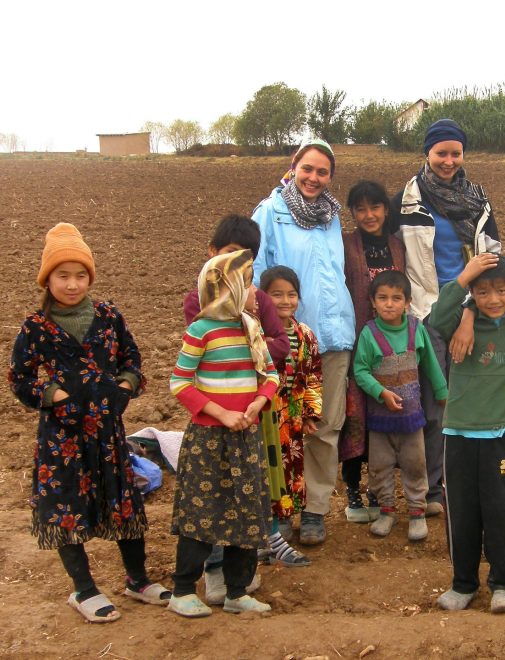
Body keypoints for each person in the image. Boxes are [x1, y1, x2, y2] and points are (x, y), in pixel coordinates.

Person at [9, 222, 170, 623]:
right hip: (61, 439)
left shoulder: (107, 316)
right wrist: (52, 395)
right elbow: (20, 378)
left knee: (124, 503)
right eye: (63, 276)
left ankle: (137, 579)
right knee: (66, 509)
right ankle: (83, 589)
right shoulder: (35, 327)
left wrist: (125, 385)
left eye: (81, 275)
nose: (73, 284)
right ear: (48, 279)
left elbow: (131, 359)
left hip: (108, 433)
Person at [183, 215, 303, 603]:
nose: (235, 270)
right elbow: (200, 355)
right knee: (211, 497)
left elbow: (281, 346)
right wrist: (247, 346)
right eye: (229, 256)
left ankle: (240, 573)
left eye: (245, 263)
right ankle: (214, 570)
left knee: (248, 493)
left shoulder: (259, 299)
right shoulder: (197, 302)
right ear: (211, 255)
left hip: (254, 413)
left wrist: (249, 348)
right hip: (213, 414)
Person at [389, 118, 500, 517]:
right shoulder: (405, 200)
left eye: (455, 153)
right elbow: (385, 251)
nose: (448, 160)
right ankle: (434, 489)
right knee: (436, 406)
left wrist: (470, 313)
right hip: (426, 314)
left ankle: (465, 482)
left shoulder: (477, 199)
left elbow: (491, 258)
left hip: (470, 312)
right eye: (441, 153)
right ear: (427, 154)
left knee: (470, 403)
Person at [252, 139, 355, 545]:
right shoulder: (271, 212)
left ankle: (314, 509)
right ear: (293, 166)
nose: (314, 178)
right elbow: (256, 273)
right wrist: (268, 331)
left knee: (325, 426)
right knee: (278, 428)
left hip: (333, 338)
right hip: (286, 342)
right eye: (307, 169)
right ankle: (278, 509)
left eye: (323, 172)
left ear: (330, 176)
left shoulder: (330, 215)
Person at [168, 249, 278, 617]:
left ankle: (236, 592)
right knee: (200, 516)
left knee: (247, 514)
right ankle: (183, 591)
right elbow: (180, 382)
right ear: (228, 288)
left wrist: (256, 404)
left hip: (245, 436)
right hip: (208, 440)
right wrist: (222, 414)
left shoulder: (251, 327)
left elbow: (271, 375)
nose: (254, 291)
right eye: (248, 283)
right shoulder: (201, 330)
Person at [428, 253, 505, 614]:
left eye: (502, 290)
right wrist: (465, 286)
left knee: (499, 511)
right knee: (460, 512)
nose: (494, 299)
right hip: (458, 431)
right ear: (472, 292)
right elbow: (437, 315)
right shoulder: (458, 319)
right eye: (483, 292)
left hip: (500, 434)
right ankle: (463, 584)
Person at [353, 270, 447, 541]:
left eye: (396, 298)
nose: (389, 304)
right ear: (372, 301)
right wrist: (380, 392)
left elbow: (431, 364)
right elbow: (360, 371)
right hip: (380, 420)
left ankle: (417, 512)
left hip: (411, 418)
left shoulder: (417, 329)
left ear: (407, 302)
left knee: (415, 463)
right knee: (379, 466)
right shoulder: (369, 334)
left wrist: (443, 394)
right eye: (382, 298)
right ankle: (387, 511)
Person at [340, 180, 407, 523]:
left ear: (386, 210)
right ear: (352, 213)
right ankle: (352, 492)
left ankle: (377, 490)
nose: (369, 215)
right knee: (355, 417)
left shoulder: (398, 246)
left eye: (375, 207)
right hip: (358, 344)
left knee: (386, 418)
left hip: (394, 347)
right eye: (361, 209)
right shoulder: (345, 244)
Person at [260, 265, 322, 544]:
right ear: (262, 297)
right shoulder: (256, 335)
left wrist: (311, 413)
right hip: (264, 413)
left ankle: (288, 515)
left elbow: (313, 375)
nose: (286, 301)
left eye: (292, 294)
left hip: (293, 413)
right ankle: (273, 520)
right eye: (277, 294)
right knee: (268, 466)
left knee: (292, 466)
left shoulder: (305, 334)